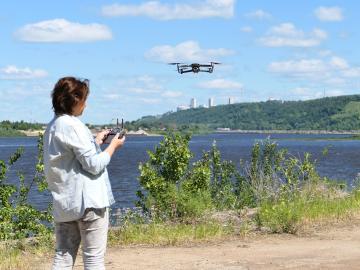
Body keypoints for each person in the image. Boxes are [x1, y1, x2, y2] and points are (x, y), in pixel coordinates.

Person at [43, 77, 125, 269]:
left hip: (65, 203)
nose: (85, 105)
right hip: (89, 203)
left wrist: (95, 142)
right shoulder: (74, 125)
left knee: (63, 256)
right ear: (75, 100)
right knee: (93, 258)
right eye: (84, 100)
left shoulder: (52, 126)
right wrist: (112, 146)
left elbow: (72, 158)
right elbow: (94, 165)